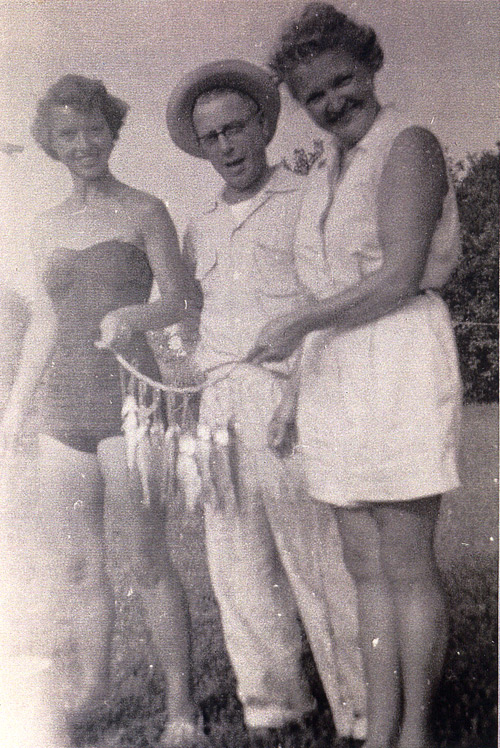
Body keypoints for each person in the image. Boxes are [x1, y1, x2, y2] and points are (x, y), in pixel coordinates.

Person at [247, 5, 463, 747]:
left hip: (398, 356)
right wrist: (294, 388)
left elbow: (401, 275)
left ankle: (414, 731)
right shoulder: (325, 170)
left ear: (370, 67)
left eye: (343, 81)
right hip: (337, 367)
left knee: (404, 562)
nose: (333, 101)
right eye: (315, 95)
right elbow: (322, 292)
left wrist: (298, 327)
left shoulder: (409, 145)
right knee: (363, 566)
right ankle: (379, 732)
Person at [0, 75, 206, 748]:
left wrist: (132, 314)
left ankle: (183, 709)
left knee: (147, 558)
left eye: (93, 129)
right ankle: (94, 688)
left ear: (112, 131)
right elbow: (43, 326)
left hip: (131, 401)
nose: (83, 143)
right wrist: (14, 411)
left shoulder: (145, 209)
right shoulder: (44, 225)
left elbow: (177, 300)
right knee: (82, 564)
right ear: (51, 144)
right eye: (68, 134)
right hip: (64, 409)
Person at [166, 59, 367, 744]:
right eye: (211, 137)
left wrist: (298, 395)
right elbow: (195, 319)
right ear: (200, 147)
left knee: (320, 560)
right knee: (238, 564)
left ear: (263, 124)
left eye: (236, 128)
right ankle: (275, 707)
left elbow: (329, 305)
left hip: (292, 398)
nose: (226, 146)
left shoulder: (309, 196)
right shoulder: (199, 228)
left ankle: (359, 708)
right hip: (219, 407)